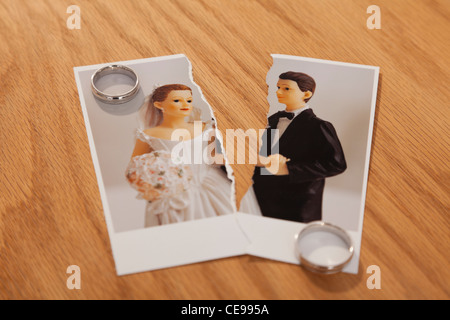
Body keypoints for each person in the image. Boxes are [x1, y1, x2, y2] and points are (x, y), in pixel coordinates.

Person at [126, 84, 237, 227]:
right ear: (159, 104)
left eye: (189, 101)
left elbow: (213, 157)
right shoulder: (147, 135)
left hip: (210, 184)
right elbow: (134, 168)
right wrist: (156, 184)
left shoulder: (205, 127)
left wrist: (246, 159)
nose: (185, 104)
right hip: (174, 193)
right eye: (177, 101)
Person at [251, 71, 347, 223]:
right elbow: (265, 154)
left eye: (286, 88)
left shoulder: (319, 126)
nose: (278, 92)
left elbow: (336, 164)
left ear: (306, 93)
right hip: (261, 199)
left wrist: (290, 169)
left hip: (297, 203)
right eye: (278, 87)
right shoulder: (271, 120)